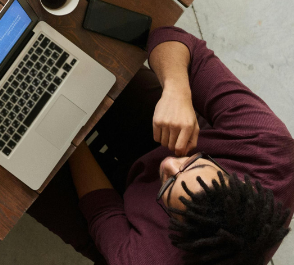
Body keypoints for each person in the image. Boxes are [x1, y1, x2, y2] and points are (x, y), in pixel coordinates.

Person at [27, 27, 293, 264]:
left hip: (124, 220)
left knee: (29, 175)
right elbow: (169, 37)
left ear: (174, 227)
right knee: (102, 65)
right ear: (235, 177)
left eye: (168, 183)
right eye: (192, 163)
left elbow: (102, 208)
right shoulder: (267, 146)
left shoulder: (147, 259)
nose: (168, 162)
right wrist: (177, 90)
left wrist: (71, 135)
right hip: (178, 133)